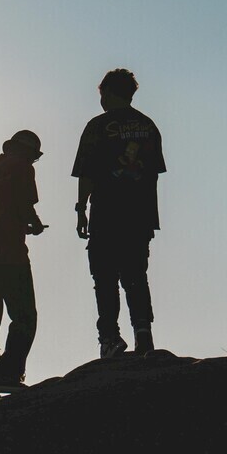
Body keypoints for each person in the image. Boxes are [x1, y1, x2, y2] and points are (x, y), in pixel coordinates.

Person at [72, 68, 166, 358]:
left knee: (104, 276)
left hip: (107, 213)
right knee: (136, 275)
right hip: (139, 215)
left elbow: (86, 174)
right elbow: (155, 172)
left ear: (109, 93)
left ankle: (110, 338)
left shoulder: (97, 126)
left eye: (102, 94)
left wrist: (80, 209)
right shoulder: (148, 126)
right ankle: (143, 331)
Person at [0, 130, 47, 398]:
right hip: (10, 255)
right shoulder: (22, 167)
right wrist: (35, 225)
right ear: (29, 152)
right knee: (25, 316)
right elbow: (24, 204)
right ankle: (9, 373)